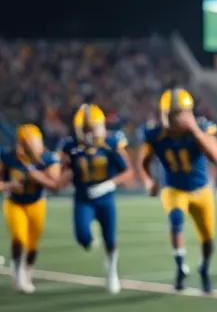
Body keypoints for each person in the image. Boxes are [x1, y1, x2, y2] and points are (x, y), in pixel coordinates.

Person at [136, 89, 217, 293]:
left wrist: (194, 131)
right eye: (169, 114)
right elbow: (143, 161)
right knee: (176, 219)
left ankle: (204, 268)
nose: (172, 119)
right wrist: (148, 180)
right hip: (174, 189)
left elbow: (215, 156)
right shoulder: (155, 134)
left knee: (208, 239)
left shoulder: (201, 127)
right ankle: (180, 265)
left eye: (177, 114)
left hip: (202, 190)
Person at [58, 103, 132, 293]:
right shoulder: (71, 146)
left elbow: (128, 173)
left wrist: (108, 185)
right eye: (85, 130)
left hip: (105, 198)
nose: (89, 134)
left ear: (101, 126)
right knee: (83, 238)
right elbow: (63, 172)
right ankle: (90, 238)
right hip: (83, 197)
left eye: (92, 129)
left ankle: (112, 271)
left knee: (110, 239)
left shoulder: (111, 142)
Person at [1, 125, 60, 293]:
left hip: (36, 203)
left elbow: (55, 185)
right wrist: (7, 185)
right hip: (15, 203)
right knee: (19, 238)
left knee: (33, 245)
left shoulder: (47, 158)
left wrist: (38, 176)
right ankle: (17, 271)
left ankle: (27, 272)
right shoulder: (8, 157)